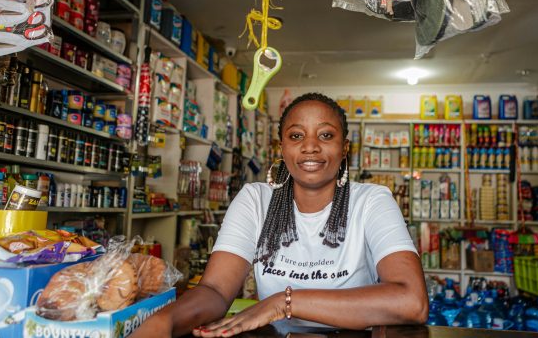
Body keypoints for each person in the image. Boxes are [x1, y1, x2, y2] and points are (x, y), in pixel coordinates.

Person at [130, 93, 428, 338]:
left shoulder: (371, 201)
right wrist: (165, 321)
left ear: (344, 148)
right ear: (282, 148)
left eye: (326, 135)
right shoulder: (255, 200)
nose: (310, 146)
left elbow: (411, 302)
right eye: (296, 135)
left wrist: (285, 303)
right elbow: (216, 291)